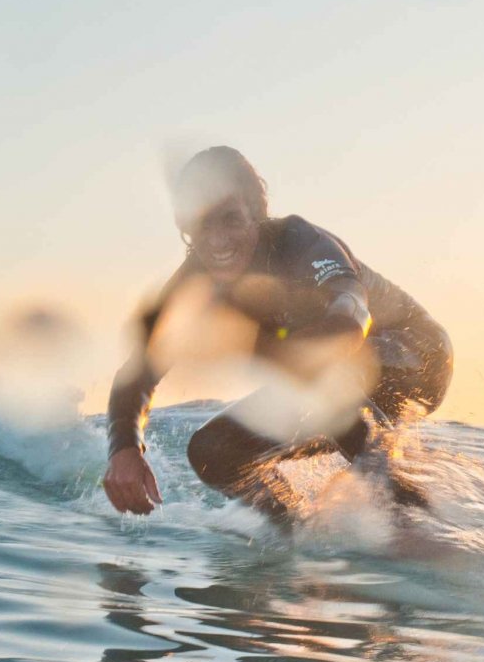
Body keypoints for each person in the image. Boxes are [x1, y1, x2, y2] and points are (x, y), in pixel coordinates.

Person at [102, 146, 452, 520]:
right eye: (203, 223)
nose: (218, 240)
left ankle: (414, 523)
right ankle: (301, 536)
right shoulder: (193, 281)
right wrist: (124, 448)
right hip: (330, 381)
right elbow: (138, 370)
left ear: (255, 213)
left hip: (417, 355)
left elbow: (350, 311)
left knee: (321, 369)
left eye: (231, 219)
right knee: (212, 452)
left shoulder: (301, 243)